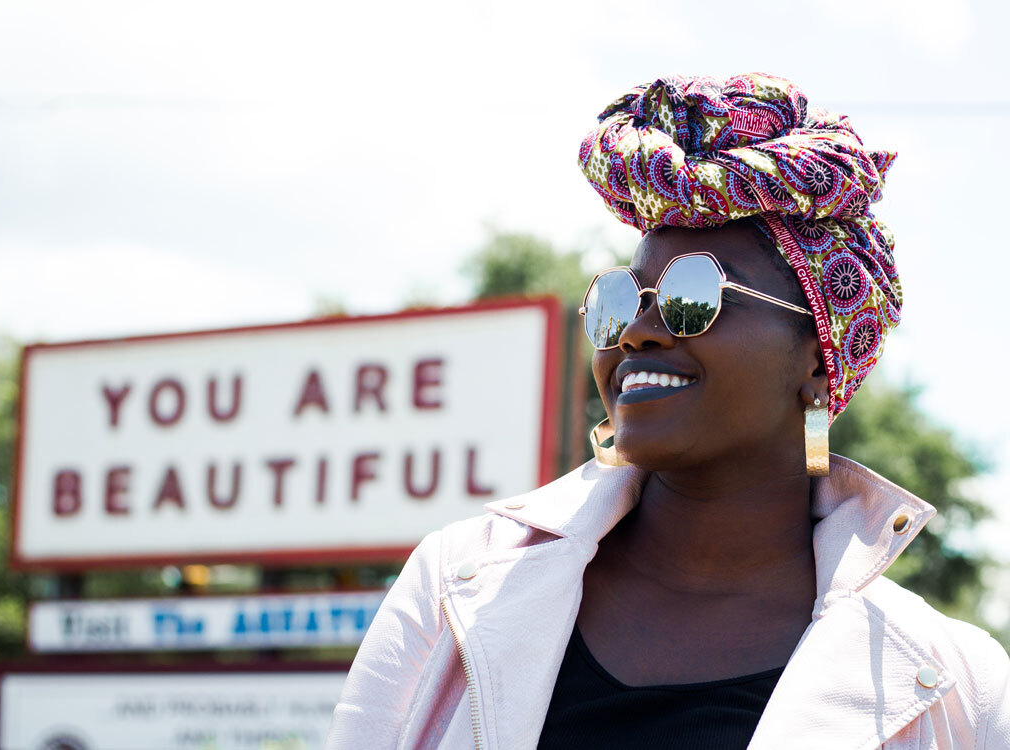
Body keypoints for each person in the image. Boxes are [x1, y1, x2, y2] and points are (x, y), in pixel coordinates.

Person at [326, 73, 1010, 749]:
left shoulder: (957, 687)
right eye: (622, 298)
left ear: (815, 359)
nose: (636, 332)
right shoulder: (453, 587)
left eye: (694, 295)